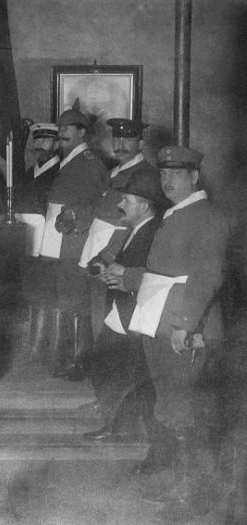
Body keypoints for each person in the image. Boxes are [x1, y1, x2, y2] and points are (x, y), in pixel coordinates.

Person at [129, 146, 229, 519]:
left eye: (177, 174)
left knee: (185, 410)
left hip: (187, 328)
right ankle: (181, 486)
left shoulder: (207, 217)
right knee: (170, 407)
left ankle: (192, 495)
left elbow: (207, 277)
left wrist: (185, 326)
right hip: (162, 323)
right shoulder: (177, 214)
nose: (168, 181)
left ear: (195, 178)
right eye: (164, 174)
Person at [82, 171, 171, 476]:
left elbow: (155, 273)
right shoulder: (134, 228)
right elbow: (118, 261)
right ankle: (118, 425)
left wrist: (125, 279)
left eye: (126, 200)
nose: (120, 203)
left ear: (145, 206)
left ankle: (153, 449)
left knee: (142, 381)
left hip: (138, 314)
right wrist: (108, 271)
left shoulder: (154, 232)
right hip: (121, 311)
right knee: (106, 364)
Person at [37, 109, 107, 379]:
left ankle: (80, 362)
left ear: (82, 132)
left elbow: (99, 202)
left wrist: (75, 215)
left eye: (70, 127)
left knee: (76, 300)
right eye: (60, 126)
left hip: (74, 240)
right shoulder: (69, 160)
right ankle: (66, 357)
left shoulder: (90, 161)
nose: (63, 131)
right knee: (64, 298)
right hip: (58, 240)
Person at [77, 119, 160, 341]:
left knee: (109, 316)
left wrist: (108, 256)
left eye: (128, 140)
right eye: (116, 138)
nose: (120, 144)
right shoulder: (113, 172)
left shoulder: (145, 175)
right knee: (95, 310)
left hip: (118, 256)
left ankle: (102, 363)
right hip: (98, 251)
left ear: (141, 144)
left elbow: (133, 226)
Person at [14, 123, 60, 362]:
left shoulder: (60, 172)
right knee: (29, 289)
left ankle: (41, 345)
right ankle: (32, 343)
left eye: (47, 140)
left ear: (57, 144)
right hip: (26, 240)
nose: (41, 144)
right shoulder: (29, 172)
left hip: (47, 241)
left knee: (44, 291)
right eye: (38, 139)